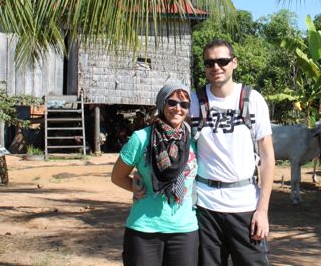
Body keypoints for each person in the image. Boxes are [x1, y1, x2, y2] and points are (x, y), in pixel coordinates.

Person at [190, 39, 275, 266]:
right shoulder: (193, 101)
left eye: (222, 61)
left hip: (245, 206)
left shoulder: (252, 99)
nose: (216, 67)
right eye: (209, 63)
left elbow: (267, 158)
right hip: (205, 207)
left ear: (234, 63)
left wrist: (262, 210)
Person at [111, 83, 198, 266]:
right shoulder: (141, 138)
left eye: (184, 104)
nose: (178, 109)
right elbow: (117, 176)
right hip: (144, 229)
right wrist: (134, 186)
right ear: (162, 104)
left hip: (184, 230)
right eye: (172, 102)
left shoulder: (195, 140)